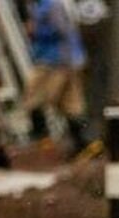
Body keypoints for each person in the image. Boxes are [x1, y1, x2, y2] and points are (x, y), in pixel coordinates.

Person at [22, 0, 91, 155]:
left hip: (54, 60)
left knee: (33, 97)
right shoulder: (46, 4)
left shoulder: (51, 5)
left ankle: (41, 139)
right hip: (71, 59)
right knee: (71, 104)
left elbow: (62, 29)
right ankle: (84, 143)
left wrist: (35, 30)